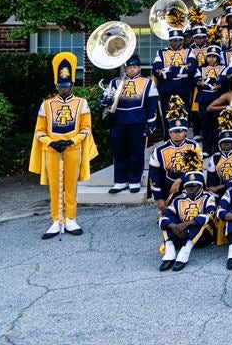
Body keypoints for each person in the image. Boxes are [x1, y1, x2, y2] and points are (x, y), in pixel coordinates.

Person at [29, 53, 97, 239]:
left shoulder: (82, 103)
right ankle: (56, 220)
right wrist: (51, 142)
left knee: (70, 185)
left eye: (67, 86)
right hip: (51, 150)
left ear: (73, 84)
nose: (64, 90)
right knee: (55, 186)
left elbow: (86, 129)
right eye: (60, 86)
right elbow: (39, 131)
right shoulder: (46, 104)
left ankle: (71, 218)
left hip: (73, 149)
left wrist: (71, 141)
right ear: (56, 85)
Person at [103, 54, 158, 195]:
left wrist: (151, 124)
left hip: (137, 122)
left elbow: (152, 105)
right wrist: (105, 101)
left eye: (134, 67)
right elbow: (105, 101)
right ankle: (120, 181)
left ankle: (134, 180)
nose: (132, 70)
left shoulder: (148, 82)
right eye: (129, 67)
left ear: (139, 67)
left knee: (136, 153)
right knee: (119, 152)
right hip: (118, 122)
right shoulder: (115, 82)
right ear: (125, 68)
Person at [158, 149, 214, 271]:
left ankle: (185, 251)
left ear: (200, 186)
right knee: (165, 220)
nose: (191, 189)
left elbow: (209, 215)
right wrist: (174, 226)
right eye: (188, 186)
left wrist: (185, 224)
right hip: (181, 231)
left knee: (201, 222)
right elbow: (165, 215)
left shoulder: (208, 196)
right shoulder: (178, 199)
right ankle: (170, 251)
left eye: (194, 186)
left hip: (202, 236)